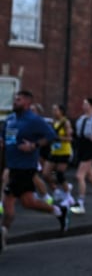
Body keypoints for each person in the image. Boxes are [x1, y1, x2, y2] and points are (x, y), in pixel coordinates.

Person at [1, 91, 67, 255]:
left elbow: (51, 136)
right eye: (15, 99)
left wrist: (34, 145)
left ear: (28, 103)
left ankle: (2, 234)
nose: (15, 102)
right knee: (28, 202)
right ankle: (58, 211)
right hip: (12, 165)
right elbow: (4, 137)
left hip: (25, 167)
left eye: (19, 100)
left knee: (8, 203)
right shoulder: (10, 119)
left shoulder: (34, 121)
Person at [41, 104, 75, 207]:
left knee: (60, 174)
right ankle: (57, 191)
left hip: (64, 152)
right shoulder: (54, 122)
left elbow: (70, 138)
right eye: (53, 110)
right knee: (45, 174)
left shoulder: (65, 122)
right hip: (54, 151)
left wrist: (58, 138)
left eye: (56, 110)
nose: (53, 112)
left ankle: (69, 197)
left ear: (61, 111)